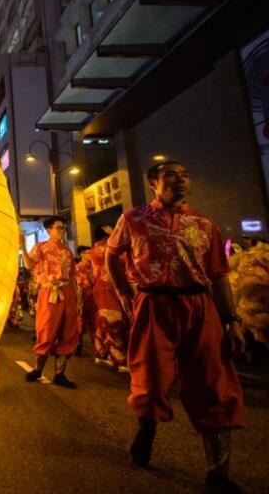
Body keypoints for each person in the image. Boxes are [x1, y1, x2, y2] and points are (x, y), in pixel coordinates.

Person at [106, 161, 245, 491]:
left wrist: (231, 320)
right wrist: (123, 293)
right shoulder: (133, 219)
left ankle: (219, 474)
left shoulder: (205, 224)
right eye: (171, 175)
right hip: (153, 305)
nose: (180, 181)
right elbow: (112, 254)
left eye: (185, 176)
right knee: (150, 380)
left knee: (214, 384)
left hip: (200, 307)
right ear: (153, 183)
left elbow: (219, 277)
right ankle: (147, 430)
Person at [19, 216, 80, 388]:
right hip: (49, 292)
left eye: (63, 228)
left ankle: (60, 374)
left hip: (67, 292)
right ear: (48, 229)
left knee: (68, 332)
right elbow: (29, 265)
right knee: (46, 330)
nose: (62, 231)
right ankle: (38, 369)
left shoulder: (67, 251)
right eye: (58, 227)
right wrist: (22, 246)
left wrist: (77, 300)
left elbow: (72, 277)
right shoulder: (40, 247)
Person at [90, 225, 128, 370]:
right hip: (106, 288)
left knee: (106, 320)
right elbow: (123, 257)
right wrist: (115, 234)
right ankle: (118, 358)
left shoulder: (100, 248)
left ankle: (101, 352)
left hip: (111, 287)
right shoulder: (101, 248)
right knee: (114, 321)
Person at [75, 245, 95, 356]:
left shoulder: (93, 266)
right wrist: (78, 301)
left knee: (94, 321)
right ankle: (78, 345)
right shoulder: (78, 267)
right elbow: (80, 284)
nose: (91, 254)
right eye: (88, 253)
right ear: (82, 254)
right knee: (80, 321)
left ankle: (96, 346)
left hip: (93, 295)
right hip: (82, 296)